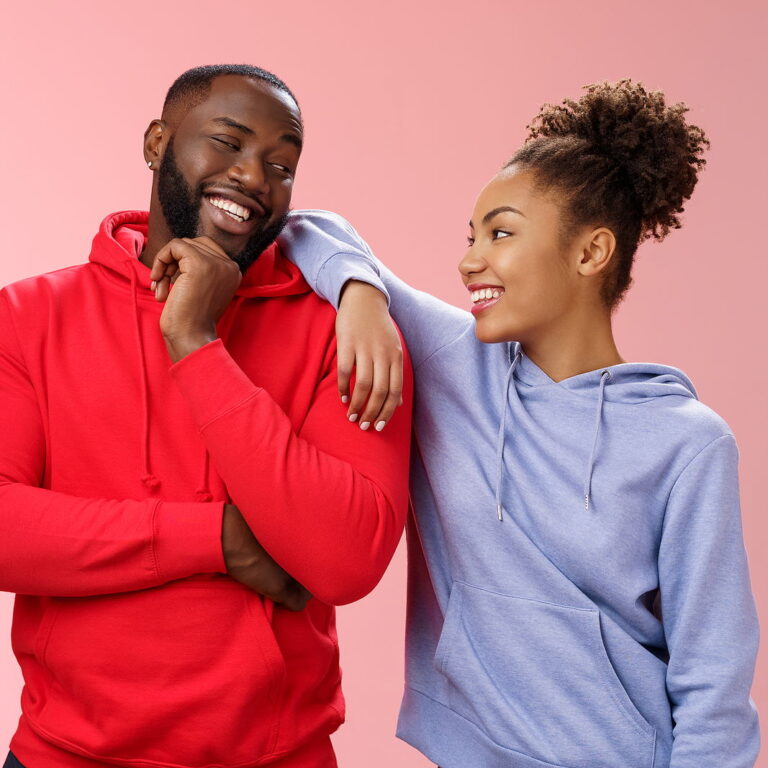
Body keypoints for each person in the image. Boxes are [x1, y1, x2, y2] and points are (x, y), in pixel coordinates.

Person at [281, 80, 760, 767]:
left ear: (591, 253)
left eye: (501, 234)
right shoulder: (453, 363)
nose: (470, 259)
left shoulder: (688, 442)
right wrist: (360, 295)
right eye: (472, 236)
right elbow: (307, 228)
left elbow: (714, 680)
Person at [0, 64, 413, 768]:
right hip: (64, 755)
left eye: (281, 165)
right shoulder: (27, 317)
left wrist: (195, 341)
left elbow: (347, 558)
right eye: (228, 143)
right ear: (157, 141)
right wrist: (215, 539)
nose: (254, 176)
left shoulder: (344, 332)